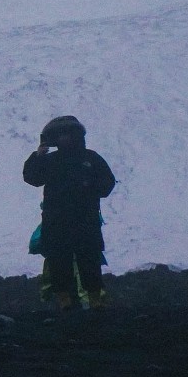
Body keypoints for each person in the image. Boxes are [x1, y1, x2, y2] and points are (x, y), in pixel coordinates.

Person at [23, 116, 118, 310]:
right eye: (59, 135)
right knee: (59, 260)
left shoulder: (91, 158)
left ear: (76, 135)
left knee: (89, 259)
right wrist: (37, 156)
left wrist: (90, 188)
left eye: (66, 134)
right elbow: (32, 178)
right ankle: (64, 300)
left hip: (85, 219)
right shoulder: (50, 160)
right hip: (56, 220)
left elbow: (107, 182)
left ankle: (95, 299)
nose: (63, 138)